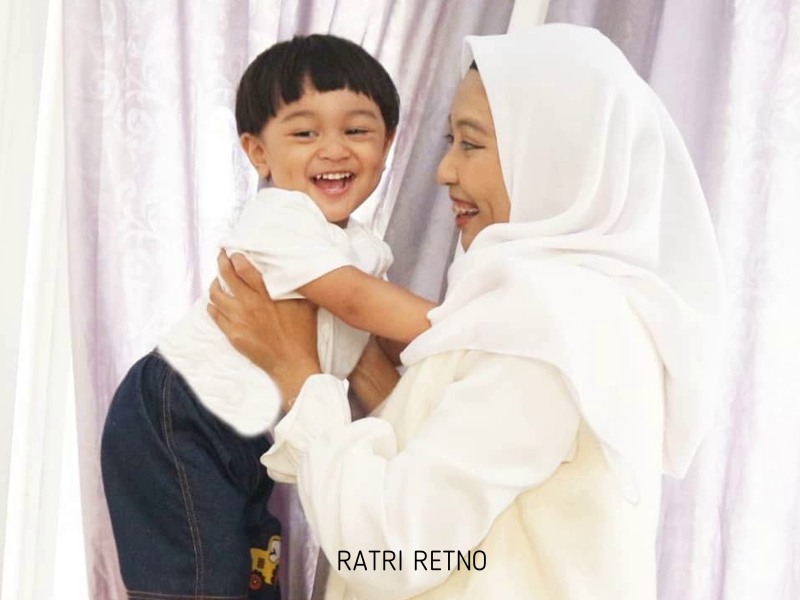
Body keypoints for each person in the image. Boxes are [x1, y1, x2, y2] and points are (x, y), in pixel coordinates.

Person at [207, 24, 725, 600]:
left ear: (553, 155)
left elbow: (391, 554)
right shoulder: (558, 310)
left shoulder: (551, 324)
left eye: (471, 145)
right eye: (449, 141)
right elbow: (442, 479)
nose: (444, 171)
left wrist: (298, 373)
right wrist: (357, 364)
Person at [101, 34, 435, 600]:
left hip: (248, 430)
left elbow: (372, 350)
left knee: (254, 569)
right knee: (203, 579)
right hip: (182, 408)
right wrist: (472, 323)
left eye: (357, 131)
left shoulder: (359, 245)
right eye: (305, 134)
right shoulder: (281, 218)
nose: (333, 150)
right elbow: (357, 303)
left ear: (388, 145)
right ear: (258, 153)